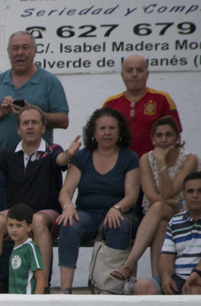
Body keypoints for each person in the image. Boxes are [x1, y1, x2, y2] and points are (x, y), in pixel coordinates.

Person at [0, 31, 69, 290]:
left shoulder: (48, 81)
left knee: (33, 223)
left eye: (25, 48)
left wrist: (32, 112)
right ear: (8, 53)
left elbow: (63, 119)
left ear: (34, 51)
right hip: (6, 164)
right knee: (8, 227)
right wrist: (2, 111)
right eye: (15, 48)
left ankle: (39, 283)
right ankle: (4, 282)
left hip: (40, 166)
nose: (20, 53)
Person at [0, 107, 72, 293]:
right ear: (18, 129)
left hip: (47, 214)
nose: (30, 127)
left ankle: (42, 285)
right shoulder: (8, 153)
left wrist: (70, 153)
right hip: (17, 214)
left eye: (34, 122)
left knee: (37, 221)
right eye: (25, 123)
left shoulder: (52, 150)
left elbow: (62, 160)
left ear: (43, 128)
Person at [56, 107, 140, 294]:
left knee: (118, 223)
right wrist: (68, 206)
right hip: (87, 213)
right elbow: (66, 190)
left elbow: (132, 196)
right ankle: (65, 289)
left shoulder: (130, 158)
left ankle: (109, 288)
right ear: (94, 132)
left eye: (112, 128)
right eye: (102, 128)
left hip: (120, 213)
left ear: (120, 132)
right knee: (69, 223)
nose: (107, 133)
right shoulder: (83, 156)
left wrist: (117, 208)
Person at [110, 117, 201, 282]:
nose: (164, 140)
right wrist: (173, 201)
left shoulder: (189, 159)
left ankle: (128, 265)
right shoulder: (145, 158)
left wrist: (161, 163)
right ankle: (159, 281)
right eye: (159, 136)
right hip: (158, 213)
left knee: (159, 208)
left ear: (178, 138)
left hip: (186, 213)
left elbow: (167, 193)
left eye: (169, 135)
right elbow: (151, 196)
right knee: (161, 223)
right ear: (153, 139)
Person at [133, 172, 201, 295]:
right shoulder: (175, 221)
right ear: (184, 195)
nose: (195, 195)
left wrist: (196, 273)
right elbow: (166, 256)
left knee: (195, 290)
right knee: (142, 286)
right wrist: (165, 277)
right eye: (190, 191)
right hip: (180, 279)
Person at [102, 55, 181, 157]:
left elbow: (175, 136)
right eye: (129, 70)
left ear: (147, 74)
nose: (134, 74)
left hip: (155, 164)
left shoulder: (162, 99)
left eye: (139, 70)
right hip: (121, 165)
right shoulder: (110, 104)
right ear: (122, 75)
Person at [5, 203, 45, 294]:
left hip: (27, 304)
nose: (14, 229)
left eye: (18, 226)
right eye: (10, 225)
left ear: (29, 227)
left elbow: (41, 279)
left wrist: (35, 303)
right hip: (15, 303)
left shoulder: (31, 248)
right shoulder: (15, 248)